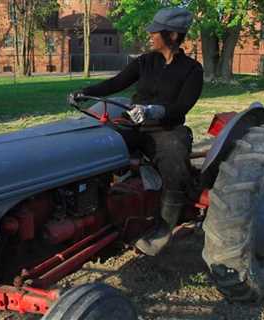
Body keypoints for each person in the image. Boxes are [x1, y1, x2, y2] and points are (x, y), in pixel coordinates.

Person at [69, 8, 204, 256]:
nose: (150, 34)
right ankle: (94, 211)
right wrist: (85, 92)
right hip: (134, 124)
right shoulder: (144, 61)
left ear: (172, 35)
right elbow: (115, 83)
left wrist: (154, 111)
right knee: (96, 146)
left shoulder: (192, 70)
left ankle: (163, 230)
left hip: (167, 129)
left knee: (176, 165)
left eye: (155, 31)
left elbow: (182, 107)